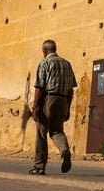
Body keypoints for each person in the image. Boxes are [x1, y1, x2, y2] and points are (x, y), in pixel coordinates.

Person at [29, 38, 77, 175]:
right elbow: (71, 89)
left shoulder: (44, 63)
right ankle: (64, 151)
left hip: (48, 99)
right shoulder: (67, 64)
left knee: (41, 133)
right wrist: (68, 107)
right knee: (57, 131)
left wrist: (35, 108)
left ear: (44, 50)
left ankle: (39, 166)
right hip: (63, 100)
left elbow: (39, 87)